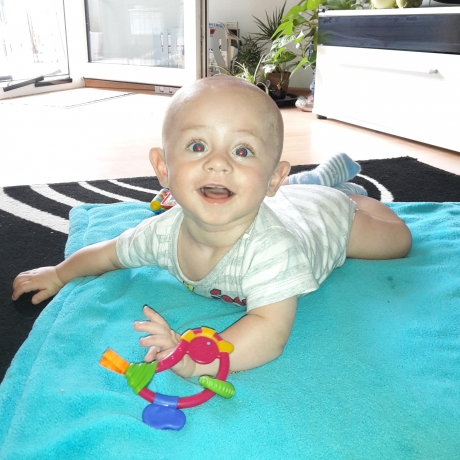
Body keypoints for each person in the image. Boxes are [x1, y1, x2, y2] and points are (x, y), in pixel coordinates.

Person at [12, 76, 412, 379]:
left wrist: (198, 361)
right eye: (198, 146)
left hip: (326, 221)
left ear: (271, 177)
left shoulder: (273, 251)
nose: (219, 163)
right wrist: (59, 274)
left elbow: (269, 330)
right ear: (163, 168)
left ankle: (348, 195)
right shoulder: (162, 234)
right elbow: (110, 253)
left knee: (398, 241)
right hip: (282, 199)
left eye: (242, 150)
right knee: (287, 195)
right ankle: (313, 183)